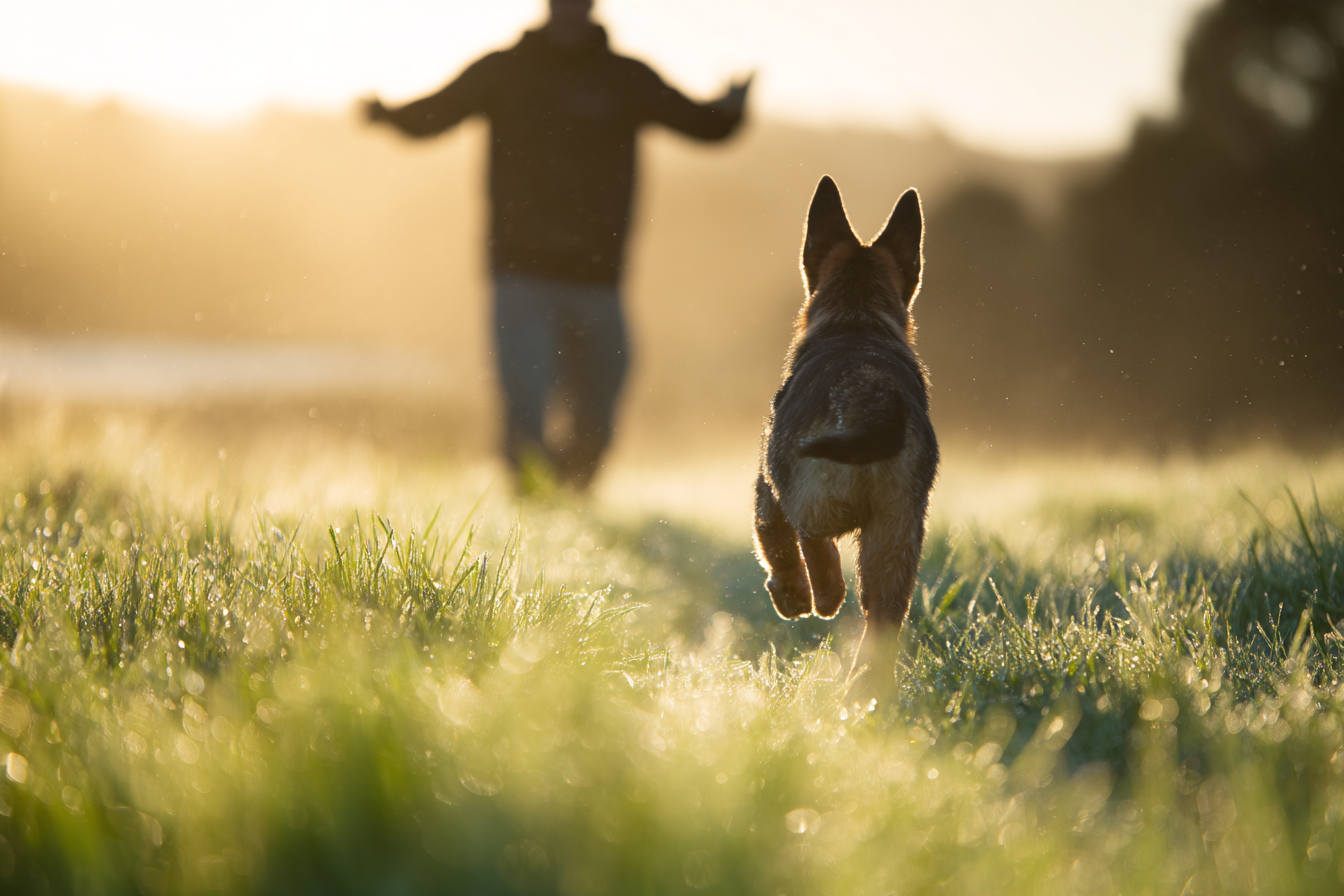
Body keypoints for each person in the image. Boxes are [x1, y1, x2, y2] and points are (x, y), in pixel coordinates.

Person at [366, 0, 750, 492]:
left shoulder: (625, 77)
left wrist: (733, 107)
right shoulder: (503, 71)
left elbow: (704, 125)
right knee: (525, 399)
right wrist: (384, 113)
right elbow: (433, 115)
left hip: (599, 275)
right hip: (519, 270)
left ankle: (574, 494)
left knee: (600, 402)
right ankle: (530, 506)